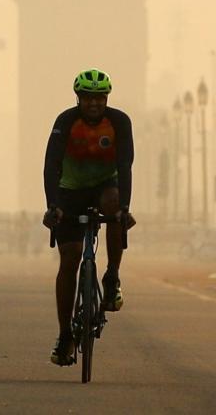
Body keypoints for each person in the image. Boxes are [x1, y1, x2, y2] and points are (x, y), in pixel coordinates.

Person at [42, 69, 136, 366]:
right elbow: (51, 166)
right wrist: (52, 206)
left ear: (107, 98)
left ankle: (112, 275)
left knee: (113, 204)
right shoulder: (65, 122)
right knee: (69, 260)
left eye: (100, 98)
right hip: (70, 190)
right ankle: (64, 335)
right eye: (88, 98)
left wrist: (124, 209)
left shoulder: (119, 122)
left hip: (105, 187)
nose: (95, 104)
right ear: (78, 99)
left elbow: (125, 165)